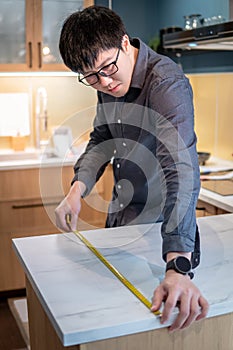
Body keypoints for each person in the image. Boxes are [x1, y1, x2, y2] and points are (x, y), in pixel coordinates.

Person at [55, 5, 209, 332]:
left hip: (164, 231)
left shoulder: (166, 83)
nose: (105, 82)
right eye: (91, 77)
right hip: (123, 219)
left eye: (108, 68)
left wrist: (177, 267)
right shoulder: (105, 81)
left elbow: (180, 168)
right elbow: (101, 139)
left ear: (125, 43)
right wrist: (77, 189)